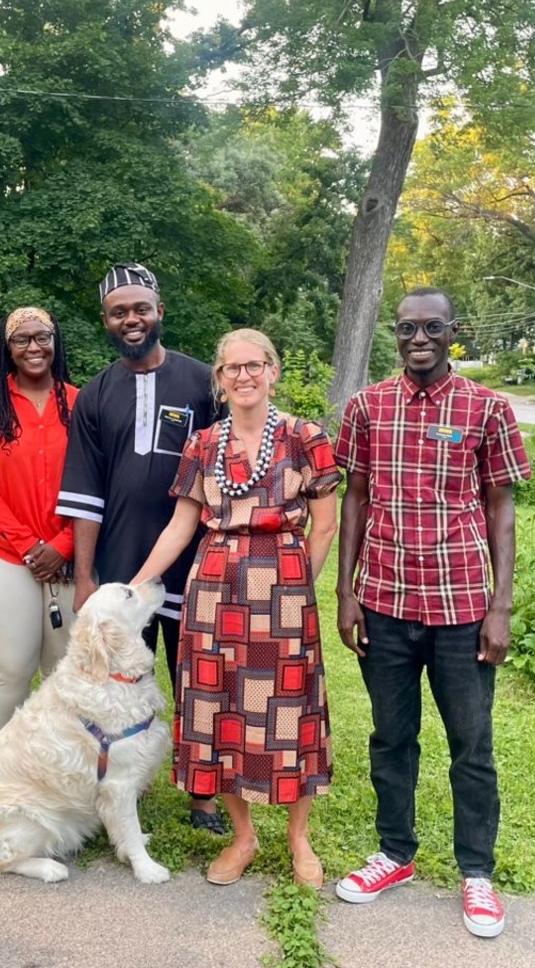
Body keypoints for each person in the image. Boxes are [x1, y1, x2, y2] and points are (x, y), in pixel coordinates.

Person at [334, 288, 531, 938]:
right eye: (407, 328)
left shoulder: (487, 409)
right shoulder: (368, 407)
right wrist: (345, 592)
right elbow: (355, 498)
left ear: (454, 332)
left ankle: (477, 871)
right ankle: (395, 854)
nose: (419, 338)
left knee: (471, 746)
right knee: (392, 738)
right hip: (386, 603)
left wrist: (500, 606)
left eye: (432, 327)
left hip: (461, 607)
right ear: (396, 335)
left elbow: (501, 508)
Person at [132, 329, 341, 886]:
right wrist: (135, 586)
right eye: (231, 368)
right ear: (220, 381)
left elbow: (326, 525)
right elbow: (181, 525)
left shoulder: (305, 438)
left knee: (290, 710)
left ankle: (299, 841)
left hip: (285, 589)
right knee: (217, 708)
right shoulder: (203, 444)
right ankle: (243, 837)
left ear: (273, 371)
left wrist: (295, 587)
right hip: (215, 586)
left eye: (254, 365)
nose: (243, 376)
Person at [55, 263, 222, 831]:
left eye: (140, 308)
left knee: (194, 675)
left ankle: (203, 795)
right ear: (105, 320)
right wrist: (85, 577)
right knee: (119, 684)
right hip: (123, 569)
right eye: (119, 311)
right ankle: (124, 784)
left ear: (159, 312)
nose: (131, 319)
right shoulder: (96, 394)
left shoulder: (204, 383)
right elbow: (84, 493)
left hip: (198, 562)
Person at [0, 306, 80, 738]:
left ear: (55, 341)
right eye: (21, 339)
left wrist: (63, 545)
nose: (34, 347)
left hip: (70, 555)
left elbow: (97, 482)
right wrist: (29, 545)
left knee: (65, 671)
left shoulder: (80, 402)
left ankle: (64, 773)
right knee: (11, 667)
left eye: (42, 336)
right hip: (4, 555)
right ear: (7, 348)